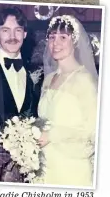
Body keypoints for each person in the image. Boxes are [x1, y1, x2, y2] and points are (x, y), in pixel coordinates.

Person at [0, 6, 40, 181]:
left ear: (25, 34)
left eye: (18, 30)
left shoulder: (35, 72)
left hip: (27, 161)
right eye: (5, 30)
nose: (12, 37)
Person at [33, 14, 98, 187]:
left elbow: (92, 130)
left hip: (71, 167)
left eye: (63, 37)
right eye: (52, 37)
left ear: (75, 41)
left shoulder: (84, 80)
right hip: (45, 166)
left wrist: (52, 135)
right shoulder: (48, 79)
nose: (56, 43)